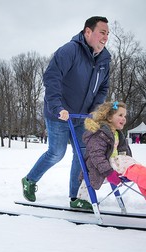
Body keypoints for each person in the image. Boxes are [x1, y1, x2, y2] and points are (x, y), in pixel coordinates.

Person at [21, 16, 111, 208]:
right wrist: (57, 107)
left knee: (82, 153)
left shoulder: (105, 59)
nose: (106, 37)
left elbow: (103, 88)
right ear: (88, 32)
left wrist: (94, 111)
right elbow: (52, 77)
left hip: (82, 116)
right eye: (102, 32)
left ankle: (75, 197)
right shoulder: (70, 50)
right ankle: (29, 180)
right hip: (59, 113)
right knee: (56, 152)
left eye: (108, 34)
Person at [77, 101, 146, 215]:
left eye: (125, 116)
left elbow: (124, 152)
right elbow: (96, 156)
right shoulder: (100, 134)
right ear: (109, 117)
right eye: (120, 115)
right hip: (99, 170)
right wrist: (109, 172)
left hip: (114, 167)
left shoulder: (117, 133)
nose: (124, 118)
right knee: (126, 163)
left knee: (139, 174)